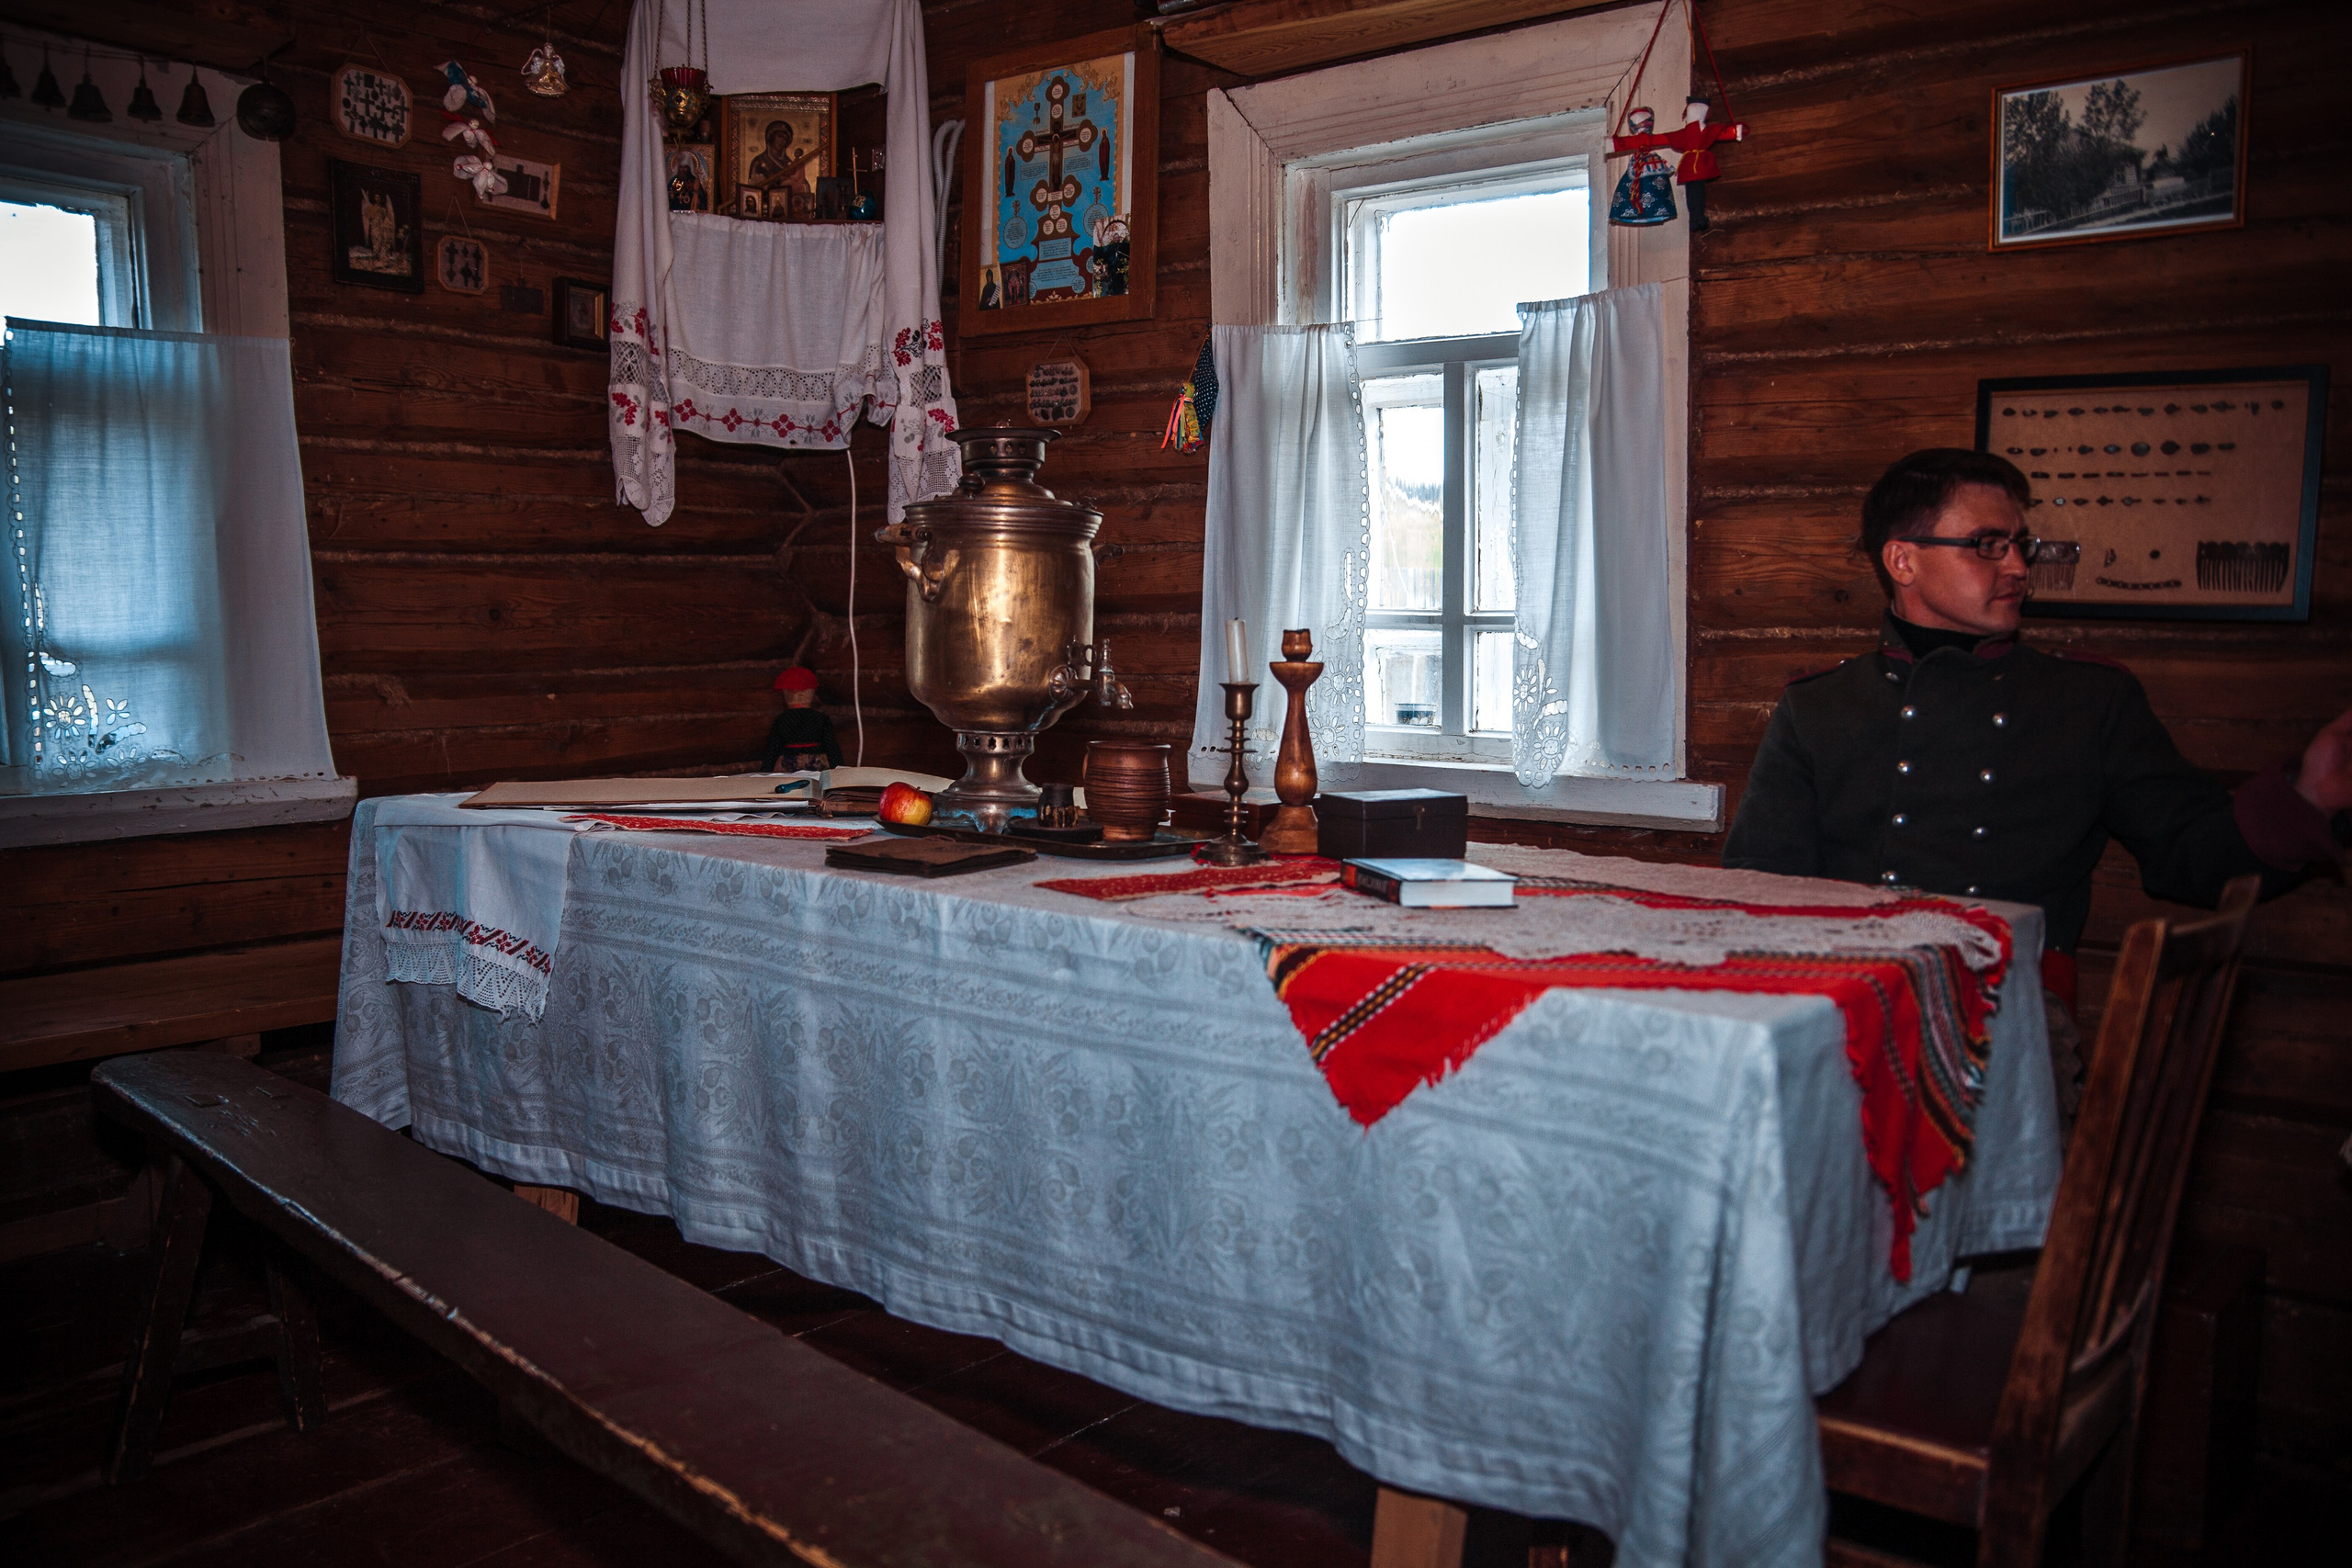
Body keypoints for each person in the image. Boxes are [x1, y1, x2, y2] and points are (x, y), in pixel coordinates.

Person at [1724, 448, 2349, 1116]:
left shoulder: (2086, 701)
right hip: (1839, 1017)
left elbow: (2190, 851)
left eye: (2022, 544)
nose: (2019, 567)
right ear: (1902, 560)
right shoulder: (1820, 706)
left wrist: (2306, 796)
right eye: (1987, 546)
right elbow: (1759, 887)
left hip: (2013, 1023)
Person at [762, 667, 843, 773]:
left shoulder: (781, 719)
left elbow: (772, 750)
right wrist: (840, 771)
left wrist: (765, 772)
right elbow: (832, 748)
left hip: (788, 766)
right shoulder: (821, 719)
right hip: (818, 765)